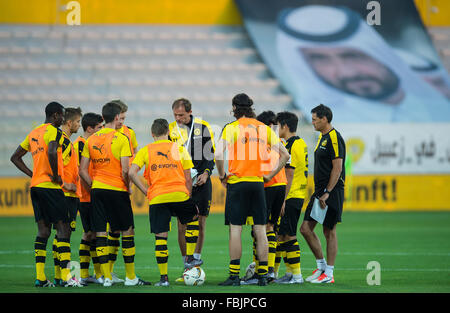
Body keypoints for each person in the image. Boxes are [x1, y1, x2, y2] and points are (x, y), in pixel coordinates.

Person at [276, 5, 450, 122]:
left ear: (379, 54)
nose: (345, 72)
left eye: (352, 56)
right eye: (320, 59)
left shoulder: (440, 110)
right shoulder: (321, 124)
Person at [215, 93, 290, 286]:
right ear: (251, 108)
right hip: (258, 183)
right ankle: (263, 275)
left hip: (238, 183)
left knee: (235, 229)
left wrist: (223, 175)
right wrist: (270, 175)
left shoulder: (231, 128)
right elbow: (285, 154)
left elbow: (217, 154)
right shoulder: (263, 128)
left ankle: (234, 276)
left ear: (234, 108)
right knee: (261, 229)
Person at [10, 102, 81, 287]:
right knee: (63, 230)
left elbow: (15, 157)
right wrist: (57, 175)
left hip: (36, 186)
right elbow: (51, 150)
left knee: (43, 231)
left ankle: (40, 278)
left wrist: (32, 174)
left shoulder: (33, 133)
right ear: (56, 115)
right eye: (62, 116)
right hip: (51, 186)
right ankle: (66, 278)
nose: (63, 119)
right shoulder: (54, 132)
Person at [79, 101, 149, 287]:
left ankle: (106, 278)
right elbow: (126, 169)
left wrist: (95, 185)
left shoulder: (91, 139)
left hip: (98, 190)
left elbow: (82, 170)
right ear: (117, 117)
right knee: (127, 231)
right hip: (117, 189)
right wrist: (127, 188)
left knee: (101, 231)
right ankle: (130, 277)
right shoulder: (121, 138)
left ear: (103, 118)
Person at [129, 118, 201, 287]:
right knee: (193, 218)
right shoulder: (179, 148)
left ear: (152, 134)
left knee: (161, 238)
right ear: (168, 133)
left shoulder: (146, 150)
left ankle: (163, 279)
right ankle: (190, 256)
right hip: (178, 193)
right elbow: (188, 178)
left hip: (158, 196)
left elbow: (132, 173)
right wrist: (188, 197)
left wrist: (146, 191)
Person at [168, 98, 215, 280]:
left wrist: (206, 173)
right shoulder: (171, 129)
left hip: (201, 182)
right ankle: (186, 266)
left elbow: (209, 156)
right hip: (181, 182)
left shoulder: (202, 128)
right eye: (175, 115)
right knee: (182, 225)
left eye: (181, 115)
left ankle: (195, 261)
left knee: (201, 224)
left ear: (190, 112)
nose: (178, 118)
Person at [300, 104, 345, 284]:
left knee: (329, 231)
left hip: (330, 192)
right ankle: (321, 268)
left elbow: (338, 167)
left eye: (315, 119)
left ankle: (330, 273)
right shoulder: (322, 137)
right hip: (320, 192)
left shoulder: (335, 137)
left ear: (324, 118)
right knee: (305, 229)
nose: (312, 122)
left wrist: (327, 192)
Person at [241, 111, 287, 285]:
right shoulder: (277, 141)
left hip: (267, 186)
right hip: (280, 185)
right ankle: (270, 272)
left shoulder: (260, 140)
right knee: (271, 228)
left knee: (258, 229)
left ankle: (261, 270)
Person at [272, 111, 308, 285]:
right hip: (297, 194)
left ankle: (297, 275)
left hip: (292, 195)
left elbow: (290, 173)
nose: (275, 129)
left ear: (285, 126)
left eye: (277, 125)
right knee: (282, 235)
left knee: (289, 236)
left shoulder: (291, 146)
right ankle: (288, 274)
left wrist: (283, 199)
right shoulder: (300, 143)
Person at [106, 99, 139, 283]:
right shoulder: (104, 132)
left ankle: (110, 274)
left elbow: (134, 153)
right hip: (114, 186)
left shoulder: (129, 133)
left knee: (117, 229)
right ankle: (112, 273)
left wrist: (131, 181)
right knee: (117, 229)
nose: (122, 122)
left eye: (125, 118)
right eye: (121, 118)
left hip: (121, 185)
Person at [51, 107, 83, 286]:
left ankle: (59, 276)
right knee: (64, 234)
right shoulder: (62, 141)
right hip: (65, 194)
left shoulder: (65, 141)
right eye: (78, 122)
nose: (79, 125)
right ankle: (66, 277)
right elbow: (54, 164)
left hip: (68, 194)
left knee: (60, 235)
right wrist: (64, 183)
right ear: (69, 123)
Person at [73, 112, 104, 284]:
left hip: (90, 195)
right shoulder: (80, 144)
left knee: (91, 233)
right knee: (90, 233)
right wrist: (92, 190)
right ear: (90, 128)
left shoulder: (91, 143)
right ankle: (87, 275)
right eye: (99, 127)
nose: (101, 130)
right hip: (86, 196)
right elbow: (80, 171)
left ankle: (89, 274)